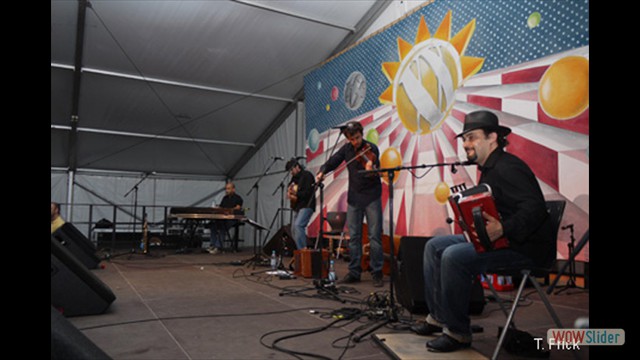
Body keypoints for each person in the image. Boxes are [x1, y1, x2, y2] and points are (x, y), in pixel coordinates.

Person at [411, 110, 554, 352]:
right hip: (503, 241)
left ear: (493, 138)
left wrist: (503, 228)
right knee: (433, 246)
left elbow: (536, 208)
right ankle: (439, 317)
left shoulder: (509, 167)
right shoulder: (488, 168)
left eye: (472, 137)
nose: (466, 144)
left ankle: (458, 333)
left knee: (453, 256)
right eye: (464, 139)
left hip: (525, 248)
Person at [315, 121, 384, 287]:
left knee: (374, 237)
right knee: (354, 237)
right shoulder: (346, 150)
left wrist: (370, 168)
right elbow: (334, 161)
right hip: (354, 198)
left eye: (358, 138)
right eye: (352, 139)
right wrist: (322, 171)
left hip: (372, 196)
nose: (356, 142)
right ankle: (354, 271)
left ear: (362, 134)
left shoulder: (371, 148)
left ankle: (377, 272)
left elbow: (376, 168)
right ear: (348, 139)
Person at [285, 158, 316, 250]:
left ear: (297, 167)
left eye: (291, 170)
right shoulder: (295, 178)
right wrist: (289, 192)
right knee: (293, 229)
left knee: (298, 226)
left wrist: (295, 193)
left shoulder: (307, 175)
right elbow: (290, 187)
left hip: (307, 205)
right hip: (297, 207)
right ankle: (300, 250)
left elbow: (307, 193)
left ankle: (303, 251)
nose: (291, 172)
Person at [209, 182, 243, 254]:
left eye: (228, 189)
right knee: (213, 226)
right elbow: (221, 207)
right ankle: (212, 245)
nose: (227, 190)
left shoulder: (238, 198)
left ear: (233, 189)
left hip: (232, 219)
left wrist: (229, 210)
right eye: (226, 189)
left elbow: (238, 208)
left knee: (222, 228)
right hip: (223, 218)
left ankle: (218, 247)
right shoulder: (225, 198)